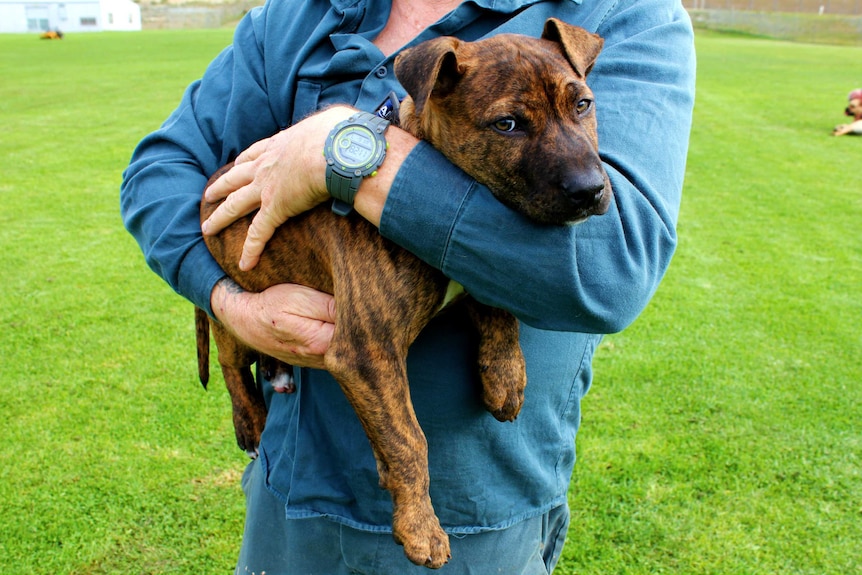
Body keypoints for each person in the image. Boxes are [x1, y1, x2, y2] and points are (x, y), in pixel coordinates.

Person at [120, 0, 696, 573]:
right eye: (508, 123)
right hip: (289, 495)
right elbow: (160, 171)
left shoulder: (622, 14)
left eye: (581, 107)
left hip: (479, 513)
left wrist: (344, 149)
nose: (582, 169)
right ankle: (236, 380)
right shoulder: (297, 16)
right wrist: (225, 302)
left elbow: (611, 269)